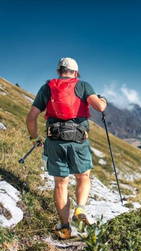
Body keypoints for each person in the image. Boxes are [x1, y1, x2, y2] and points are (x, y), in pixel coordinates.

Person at [26, 57, 107, 239]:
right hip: (78, 141)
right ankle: (80, 208)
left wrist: (35, 138)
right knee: (83, 176)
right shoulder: (83, 86)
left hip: (55, 141)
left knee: (61, 183)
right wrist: (104, 100)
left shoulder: (47, 88)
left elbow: (31, 117)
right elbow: (100, 107)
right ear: (76, 73)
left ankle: (64, 228)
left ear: (58, 71)